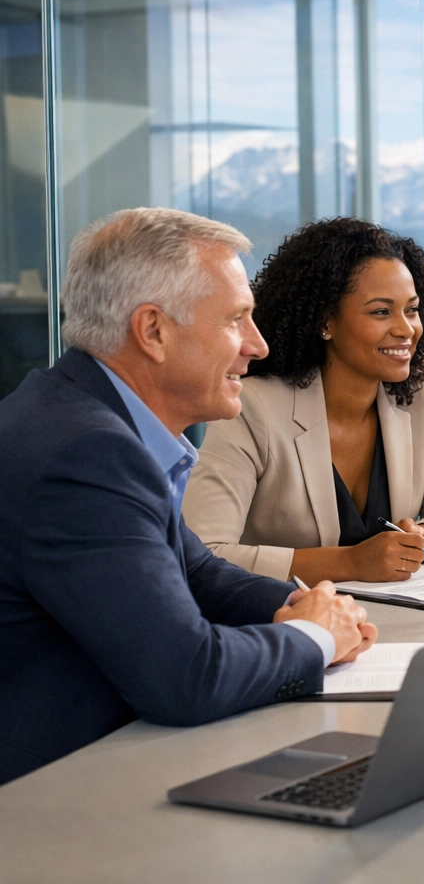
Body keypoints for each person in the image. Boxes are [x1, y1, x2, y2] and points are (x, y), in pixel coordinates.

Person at [0, 209, 375, 785]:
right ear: (153, 331)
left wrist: (303, 605)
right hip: (53, 798)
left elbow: (196, 570)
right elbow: (186, 678)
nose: (258, 345)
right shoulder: (85, 453)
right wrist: (315, 636)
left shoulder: (83, 418)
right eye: (236, 319)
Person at [184, 219, 424, 582]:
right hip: (283, 612)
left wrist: (419, 540)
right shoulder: (252, 406)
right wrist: (351, 563)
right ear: (325, 321)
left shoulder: (417, 392)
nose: (406, 329)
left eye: (411, 309)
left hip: (390, 612)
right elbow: (204, 554)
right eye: (381, 312)